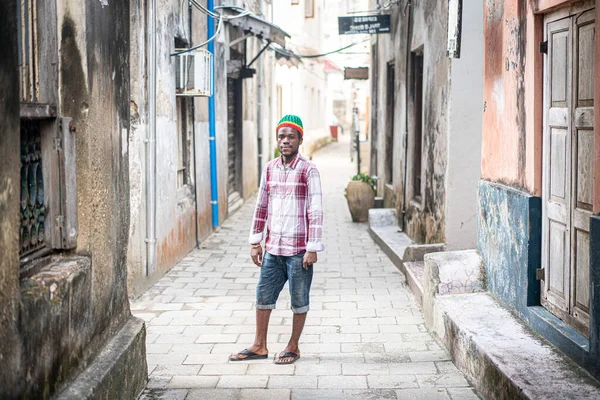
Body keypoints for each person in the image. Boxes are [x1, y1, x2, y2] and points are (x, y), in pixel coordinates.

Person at [229, 115, 324, 365]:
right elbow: (261, 205)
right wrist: (255, 241)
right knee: (263, 296)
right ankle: (259, 346)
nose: (285, 141)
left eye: (291, 136)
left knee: (299, 299)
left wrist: (312, 248)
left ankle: (293, 346)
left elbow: (315, 210)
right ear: (276, 139)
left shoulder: (308, 169)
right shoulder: (269, 168)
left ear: (300, 140)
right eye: (281, 136)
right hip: (272, 248)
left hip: (298, 250)